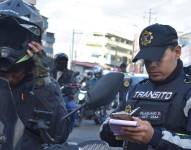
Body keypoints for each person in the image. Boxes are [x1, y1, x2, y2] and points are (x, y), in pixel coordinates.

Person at [100, 23, 191, 150]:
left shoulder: (188, 91)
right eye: (147, 59)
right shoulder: (137, 89)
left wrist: (154, 137)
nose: (152, 65)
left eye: (158, 57)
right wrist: (114, 126)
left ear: (177, 52)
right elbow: (105, 131)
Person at [0, 0, 71, 149]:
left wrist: (43, 79)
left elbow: (59, 134)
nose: (6, 43)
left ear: (34, 43)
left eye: (14, 36)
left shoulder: (42, 84)